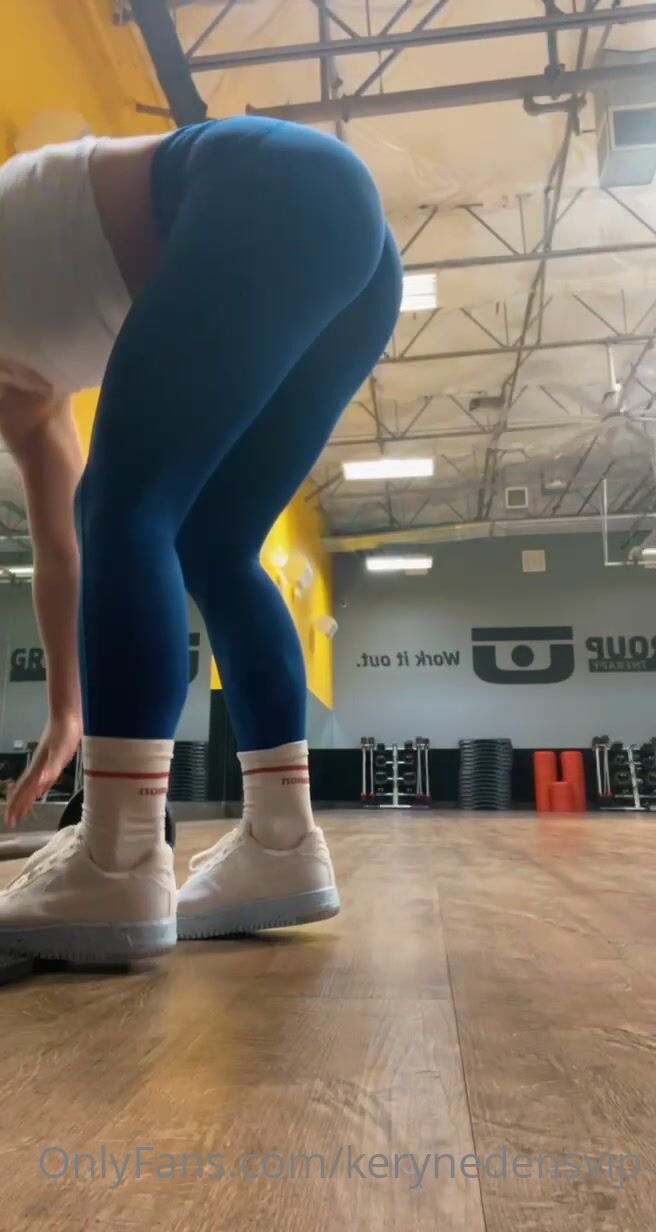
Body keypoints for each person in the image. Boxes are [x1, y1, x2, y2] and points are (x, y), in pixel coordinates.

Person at [0, 118, 402, 962]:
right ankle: (282, 842)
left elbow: (101, 523)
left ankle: (117, 858)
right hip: (348, 240)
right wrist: (68, 709)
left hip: (272, 191)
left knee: (128, 503)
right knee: (211, 542)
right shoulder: (25, 391)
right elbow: (64, 550)